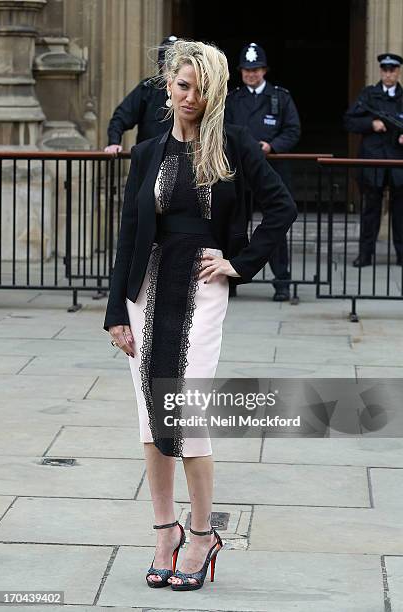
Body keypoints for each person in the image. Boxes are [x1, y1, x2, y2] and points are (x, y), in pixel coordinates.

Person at [103, 40, 297, 591]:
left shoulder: (233, 144)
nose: (189, 96)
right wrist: (116, 310)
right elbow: (128, 237)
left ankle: (203, 531)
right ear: (169, 85)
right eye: (181, 85)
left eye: (199, 87)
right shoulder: (146, 152)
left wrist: (238, 263)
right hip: (147, 291)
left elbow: (283, 206)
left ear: (215, 91)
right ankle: (164, 530)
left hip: (200, 288)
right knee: (151, 416)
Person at [225, 42, 301, 300]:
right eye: (246, 70)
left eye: (256, 69)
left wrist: (272, 145)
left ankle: (282, 282)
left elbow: (293, 129)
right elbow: (222, 130)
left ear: (264, 70)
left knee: (276, 225)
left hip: (272, 170)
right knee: (235, 226)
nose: (251, 74)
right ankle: (231, 279)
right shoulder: (232, 99)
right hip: (239, 172)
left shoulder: (280, 97)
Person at [344, 52, 403, 267]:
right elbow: (349, 121)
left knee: (400, 213)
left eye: (392, 70)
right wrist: (371, 124)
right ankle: (365, 254)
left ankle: (401, 255)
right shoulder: (368, 95)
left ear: (398, 72)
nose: (388, 74)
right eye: (385, 70)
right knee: (370, 211)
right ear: (381, 71)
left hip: (398, 163)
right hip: (373, 161)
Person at [104, 36, 178, 154]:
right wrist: (114, 142)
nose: (171, 68)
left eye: (176, 64)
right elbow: (121, 116)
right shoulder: (148, 87)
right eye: (168, 63)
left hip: (177, 157)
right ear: (161, 65)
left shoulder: (191, 91)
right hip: (148, 158)